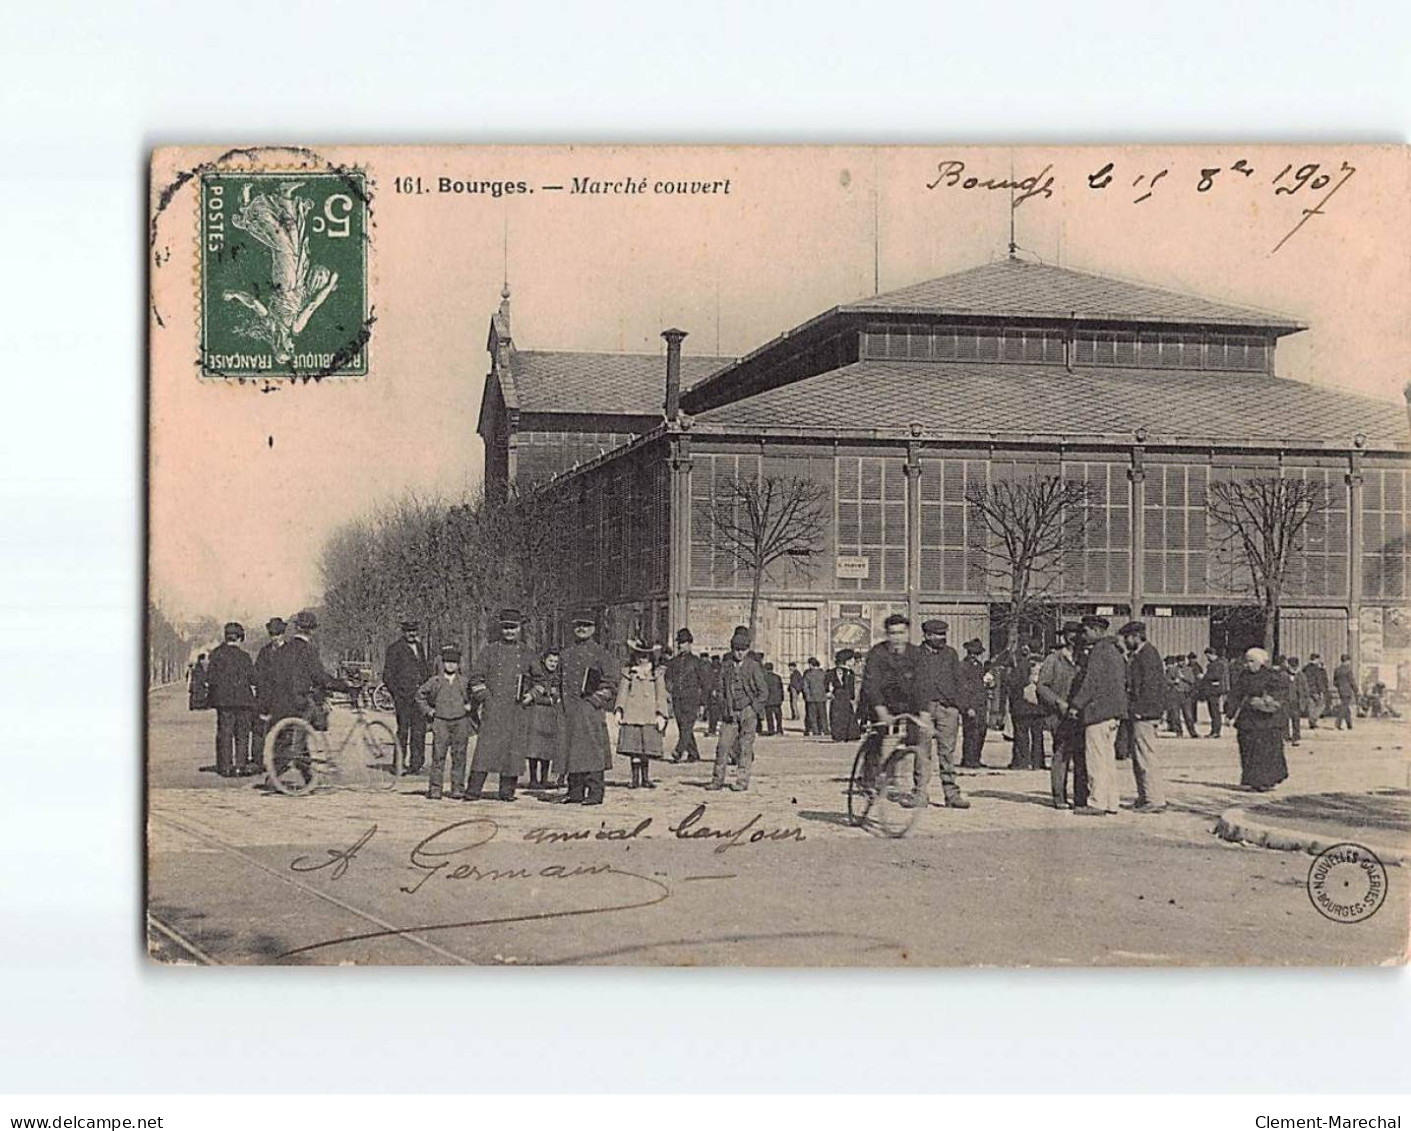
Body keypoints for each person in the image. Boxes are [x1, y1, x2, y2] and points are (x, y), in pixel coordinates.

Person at [265, 611, 354, 782]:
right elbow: (319, 676)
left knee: (298, 735)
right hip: (299, 702)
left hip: (281, 702)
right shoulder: (309, 650)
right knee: (304, 732)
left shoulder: (283, 649)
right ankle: (277, 775)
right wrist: (344, 686)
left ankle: (308, 777)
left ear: (296, 627)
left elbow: (273, 676)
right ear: (312, 630)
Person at [467, 609, 534, 802]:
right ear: (500, 628)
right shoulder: (489, 651)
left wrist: (530, 695)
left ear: (520, 629)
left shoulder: (527, 653)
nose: (509, 632)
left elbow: (541, 680)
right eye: (506, 627)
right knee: (484, 751)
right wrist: (486, 697)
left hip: (516, 711)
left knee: (513, 753)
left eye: (513, 628)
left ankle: (507, 792)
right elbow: (476, 678)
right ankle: (473, 790)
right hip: (493, 710)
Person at [1067, 615, 1128, 816]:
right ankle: (1112, 802)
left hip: (1098, 713)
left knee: (1095, 760)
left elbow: (1091, 683)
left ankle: (1096, 802)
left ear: (1095, 630)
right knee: (1108, 761)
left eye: (1085, 631)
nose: (1082, 636)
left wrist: (1076, 705)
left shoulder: (1099, 652)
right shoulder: (1115, 652)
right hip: (1114, 713)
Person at [556, 612, 617, 805]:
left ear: (593, 629)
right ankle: (575, 791)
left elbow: (611, 682)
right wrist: (558, 700)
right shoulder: (566, 654)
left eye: (586, 625)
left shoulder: (600, 654)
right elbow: (557, 680)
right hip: (569, 709)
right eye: (578, 625)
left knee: (592, 750)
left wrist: (595, 701)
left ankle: (595, 792)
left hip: (589, 710)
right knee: (571, 750)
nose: (581, 629)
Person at [913, 619, 969, 808]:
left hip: (947, 709)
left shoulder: (951, 654)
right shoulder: (915, 655)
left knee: (947, 753)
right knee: (922, 753)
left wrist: (958, 706)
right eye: (937, 635)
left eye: (943, 634)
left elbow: (959, 681)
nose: (941, 638)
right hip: (924, 710)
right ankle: (920, 793)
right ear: (927, 635)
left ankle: (951, 794)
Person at [708, 626, 768, 792]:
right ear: (732, 649)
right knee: (722, 747)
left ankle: (741, 781)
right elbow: (719, 688)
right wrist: (723, 705)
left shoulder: (754, 666)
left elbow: (763, 691)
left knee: (745, 747)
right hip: (729, 713)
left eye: (743, 650)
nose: (739, 653)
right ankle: (717, 780)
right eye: (736, 650)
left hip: (748, 712)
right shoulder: (726, 666)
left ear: (748, 650)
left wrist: (753, 708)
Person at [1118, 621, 1169, 813]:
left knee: (1146, 756)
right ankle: (1145, 796)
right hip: (1141, 713)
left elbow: (1150, 687)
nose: (1125, 641)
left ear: (1135, 636)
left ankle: (1155, 799)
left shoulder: (1147, 655)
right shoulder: (1142, 654)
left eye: (1127, 638)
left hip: (1144, 714)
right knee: (1140, 757)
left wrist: (1141, 709)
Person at [416, 645, 476, 800]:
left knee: (459, 756)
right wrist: (429, 711)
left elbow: (475, 696)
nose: (450, 665)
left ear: (458, 664)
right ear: (442, 663)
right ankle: (435, 789)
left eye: (454, 662)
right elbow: (420, 695)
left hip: (460, 721)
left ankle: (457, 788)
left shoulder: (464, 682)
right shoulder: (435, 681)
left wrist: (471, 705)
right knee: (438, 756)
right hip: (440, 722)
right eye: (447, 662)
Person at [1037, 622, 1086, 809]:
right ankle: (1059, 795)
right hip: (1060, 715)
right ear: (1064, 636)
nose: (1074, 637)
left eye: (1077, 633)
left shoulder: (1085, 658)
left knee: (1081, 756)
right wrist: (1057, 702)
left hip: (1080, 714)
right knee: (1061, 755)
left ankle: (1081, 797)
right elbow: (1042, 686)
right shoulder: (1054, 659)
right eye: (1070, 633)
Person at [1227, 647, 1290, 791]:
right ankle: (1253, 781)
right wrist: (1230, 712)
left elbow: (1280, 693)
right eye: (1247, 661)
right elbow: (1235, 694)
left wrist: (1268, 700)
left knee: (1266, 751)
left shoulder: (1271, 676)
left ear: (1260, 662)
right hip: (1248, 719)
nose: (1248, 664)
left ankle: (1266, 780)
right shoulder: (1244, 676)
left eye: (1252, 661)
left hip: (1266, 720)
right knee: (1249, 750)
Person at [206, 622, 257, 777]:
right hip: (244, 701)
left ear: (226, 637)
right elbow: (253, 678)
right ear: (240, 638)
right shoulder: (245, 657)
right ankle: (240, 766)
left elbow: (211, 679)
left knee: (225, 733)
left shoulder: (216, 654)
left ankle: (225, 766)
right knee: (242, 734)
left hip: (224, 703)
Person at [616, 640, 669, 789]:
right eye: (639, 655)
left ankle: (645, 777)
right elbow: (623, 692)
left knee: (646, 748)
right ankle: (634, 778)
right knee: (634, 749)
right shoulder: (629, 672)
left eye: (645, 656)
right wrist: (620, 709)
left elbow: (661, 695)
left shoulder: (656, 673)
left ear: (650, 656)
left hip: (648, 715)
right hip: (632, 715)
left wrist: (661, 714)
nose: (642, 659)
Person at [382, 619, 431, 776]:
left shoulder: (420, 647)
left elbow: (424, 669)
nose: (412, 634)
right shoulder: (394, 649)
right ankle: (399, 764)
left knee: (419, 730)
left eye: (414, 631)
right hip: (403, 698)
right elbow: (388, 676)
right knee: (403, 730)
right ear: (403, 632)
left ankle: (416, 764)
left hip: (419, 697)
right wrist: (397, 694)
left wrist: (426, 690)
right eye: (409, 631)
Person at [664, 628, 709, 762]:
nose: (680, 645)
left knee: (687, 726)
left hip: (692, 699)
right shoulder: (673, 662)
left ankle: (678, 751)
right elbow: (668, 678)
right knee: (682, 727)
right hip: (677, 698)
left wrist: (702, 703)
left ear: (690, 643)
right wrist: (669, 690)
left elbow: (704, 683)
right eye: (679, 643)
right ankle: (693, 754)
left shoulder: (697, 662)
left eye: (683, 642)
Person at [523, 646, 564, 790]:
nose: (553, 664)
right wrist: (545, 696)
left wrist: (552, 697)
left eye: (555, 662)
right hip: (536, 714)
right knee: (534, 748)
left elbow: (557, 694)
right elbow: (532, 692)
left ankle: (544, 779)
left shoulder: (557, 677)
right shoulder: (536, 674)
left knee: (547, 749)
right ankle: (533, 779)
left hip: (550, 715)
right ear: (544, 660)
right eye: (550, 661)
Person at [252, 616, 288, 771]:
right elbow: (257, 673)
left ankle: (278, 763)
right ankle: (258, 761)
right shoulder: (264, 652)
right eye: (272, 634)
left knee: (281, 731)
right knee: (259, 730)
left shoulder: (290, 651)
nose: (275, 638)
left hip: (283, 697)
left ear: (283, 634)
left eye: (278, 634)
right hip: (265, 696)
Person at [1006, 642, 1046, 770]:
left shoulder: (1020, 664)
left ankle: (1021, 762)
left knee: (1021, 734)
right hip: (1039, 706)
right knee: (1038, 735)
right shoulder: (1044, 664)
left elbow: (1014, 683)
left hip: (1022, 706)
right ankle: (1037, 762)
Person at [958, 638, 988, 768]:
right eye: (973, 653)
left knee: (981, 731)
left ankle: (976, 757)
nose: (974, 656)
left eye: (976, 654)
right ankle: (969, 759)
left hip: (980, 703)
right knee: (971, 732)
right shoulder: (963, 666)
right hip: (971, 704)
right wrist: (968, 707)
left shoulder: (979, 666)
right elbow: (963, 689)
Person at [825, 651, 856, 742]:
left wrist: (851, 697)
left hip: (846, 695)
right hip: (837, 695)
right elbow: (826, 683)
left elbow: (851, 686)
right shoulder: (831, 672)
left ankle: (847, 734)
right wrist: (828, 692)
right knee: (836, 716)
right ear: (846, 661)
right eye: (851, 659)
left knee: (846, 716)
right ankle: (837, 735)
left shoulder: (850, 672)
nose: (853, 661)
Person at [1199, 646, 1228, 737]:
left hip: (1214, 691)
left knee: (1215, 711)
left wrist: (1204, 677)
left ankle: (1216, 731)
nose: (1207, 658)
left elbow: (1216, 676)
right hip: (1212, 690)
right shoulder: (1216, 663)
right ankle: (1214, 730)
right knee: (1212, 711)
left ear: (1211, 654)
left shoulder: (1218, 664)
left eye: (1207, 656)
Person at [1285, 656, 1309, 746]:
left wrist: (1305, 698)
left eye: (1295, 666)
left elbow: (1305, 688)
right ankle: (1286, 735)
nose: (1294, 668)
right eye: (1292, 666)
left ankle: (1296, 735)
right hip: (1286, 699)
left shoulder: (1301, 675)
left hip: (1296, 700)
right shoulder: (1285, 675)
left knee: (1296, 719)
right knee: (1285, 719)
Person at [801, 656, 828, 736]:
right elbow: (826, 685)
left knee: (813, 716)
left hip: (811, 698)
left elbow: (805, 687)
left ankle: (816, 731)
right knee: (822, 715)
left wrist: (807, 696)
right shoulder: (823, 674)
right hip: (822, 697)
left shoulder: (808, 674)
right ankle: (825, 730)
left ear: (810, 664)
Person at [1333, 653, 1359, 730]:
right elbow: (1351, 681)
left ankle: (1349, 724)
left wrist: (1339, 687)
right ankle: (1338, 723)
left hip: (1340, 691)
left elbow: (1335, 682)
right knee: (1344, 707)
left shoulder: (1337, 670)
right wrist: (1356, 690)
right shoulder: (1348, 670)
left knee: (1346, 707)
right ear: (1347, 661)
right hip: (1347, 691)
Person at [1304, 653, 1329, 729]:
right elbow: (1319, 680)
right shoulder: (1316, 669)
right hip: (1315, 690)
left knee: (1311, 706)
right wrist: (1321, 691)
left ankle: (1311, 721)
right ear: (1316, 659)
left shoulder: (1305, 668)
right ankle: (1313, 719)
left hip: (1307, 689)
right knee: (1321, 704)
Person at [762, 662, 785, 736]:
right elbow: (781, 688)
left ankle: (771, 730)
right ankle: (779, 730)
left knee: (769, 717)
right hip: (777, 700)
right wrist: (781, 698)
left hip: (768, 700)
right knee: (778, 716)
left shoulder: (764, 678)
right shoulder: (777, 677)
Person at [705, 655, 724, 737]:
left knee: (713, 714)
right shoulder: (721, 668)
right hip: (718, 695)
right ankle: (714, 730)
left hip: (714, 695)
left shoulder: (710, 669)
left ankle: (712, 730)